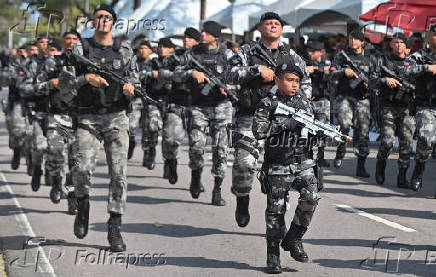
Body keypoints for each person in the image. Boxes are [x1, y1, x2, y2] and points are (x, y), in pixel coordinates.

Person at [58, 4, 138, 252]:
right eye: (100, 17)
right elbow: (63, 85)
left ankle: (114, 228)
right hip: (88, 117)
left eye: (108, 17)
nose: (104, 20)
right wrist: (85, 79)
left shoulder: (124, 49)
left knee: (118, 174)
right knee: (81, 168)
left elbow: (135, 79)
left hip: (116, 116)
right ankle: (83, 206)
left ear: (113, 23)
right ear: (94, 22)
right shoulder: (80, 49)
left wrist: (131, 88)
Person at [227, 12, 311, 227]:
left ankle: (278, 220)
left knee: (281, 171)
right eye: (268, 23)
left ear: (282, 29)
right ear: (260, 28)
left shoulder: (292, 55)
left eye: (277, 24)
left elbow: (306, 83)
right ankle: (242, 197)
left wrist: (300, 97)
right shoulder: (248, 51)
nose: (273, 26)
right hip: (251, 117)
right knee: (244, 164)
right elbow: (230, 74)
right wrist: (256, 71)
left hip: (283, 121)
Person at [253, 58, 320, 274]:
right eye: (290, 80)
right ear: (277, 79)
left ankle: (294, 239)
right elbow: (259, 131)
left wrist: (316, 132)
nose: (294, 85)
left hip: (303, 162)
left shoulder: (304, 102)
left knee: (311, 198)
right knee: (276, 212)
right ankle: (273, 257)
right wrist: (286, 124)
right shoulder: (268, 103)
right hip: (278, 164)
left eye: (298, 81)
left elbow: (312, 130)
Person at [174, 21, 233, 205]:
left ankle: (217, 189)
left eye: (206, 32)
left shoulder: (228, 54)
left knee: (221, 150)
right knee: (196, 147)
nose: (202, 34)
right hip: (199, 107)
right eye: (202, 31)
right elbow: (176, 74)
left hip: (222, 107)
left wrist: (231, 87)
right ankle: (195, 176)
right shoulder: (192, 53)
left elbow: (241, 75)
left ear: (216, 37)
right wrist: (192, 73)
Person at [372, 33, 415, 188]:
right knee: (387, 142)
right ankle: (380, 166)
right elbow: (371, 81)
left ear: (406, 45)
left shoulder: (413, 62)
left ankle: (402, 177)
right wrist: (385, 80)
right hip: (387, 106)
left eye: (401, 42)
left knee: (407, 143)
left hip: (406, 108)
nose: (398, 45)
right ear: (391, 45)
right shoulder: (382, 60)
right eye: (395, 42)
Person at [160, 27, 201, 184]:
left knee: (197, 146)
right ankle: (172, 164)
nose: (186, 40)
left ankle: (196, 178)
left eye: (190, 38)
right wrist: (179, 76)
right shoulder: (174, 57)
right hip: (176, 102)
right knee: (170, 139)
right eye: (185, 37)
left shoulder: (202, 56)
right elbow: (162, 74)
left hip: (198, 106)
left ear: (197, 41)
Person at [330, 30, 372, 178]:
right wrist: (343, 71)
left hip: (363, 98)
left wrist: (370, 83)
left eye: (356, 39)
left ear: (362, 42)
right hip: (345, 96)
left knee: (363, 132)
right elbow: (331, 70)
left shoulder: (371, 57)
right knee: (344, 125)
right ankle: (340, 151)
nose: (353, 41)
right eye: (351, 38)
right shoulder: (342, 55)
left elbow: (377, 75)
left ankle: (361, 166)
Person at [402, 24, 436, 193]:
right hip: (427, 106)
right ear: (428, 36)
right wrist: (427, 68)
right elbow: (405, 69)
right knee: (426, 140)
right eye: (434, 34)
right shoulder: (420, 56)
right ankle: (420, 168)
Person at [306, 40, 331, 167]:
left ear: (320, 52)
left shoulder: (327, 63)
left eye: (312, 51)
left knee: (323, 129)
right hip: (307, 100)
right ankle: (307, 155)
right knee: (307, 128)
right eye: (308, 50)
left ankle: (321, 156)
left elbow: (333, 72)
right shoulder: (304, 61)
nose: (309, 53)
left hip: (322, 99)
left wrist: (319, 69)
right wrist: (306, 70)